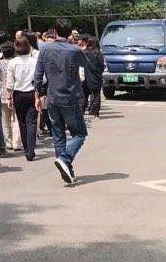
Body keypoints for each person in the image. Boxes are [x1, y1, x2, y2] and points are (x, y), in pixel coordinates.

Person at [34, 17, 89, 185]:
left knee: (58, 137)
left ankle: (67, 169)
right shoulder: (74, 50)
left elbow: (38, 74)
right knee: (80, 133)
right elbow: (85, 65)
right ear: (70, 33)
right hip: (71, 96)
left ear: (55, 32)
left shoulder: (45, 49)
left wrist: (37, 94)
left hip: (52, 96)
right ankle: (65, 159)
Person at [6, 36, 39, 160]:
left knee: (22, 123)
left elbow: (10, 83)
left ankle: (27, 148)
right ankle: (30, 150)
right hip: (32, 93)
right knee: (32, 122)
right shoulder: (35, 61)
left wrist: (9, 98)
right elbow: (41, 79)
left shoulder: (12, 62)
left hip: (18, 94)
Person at [0, 40, 19, 150]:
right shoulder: (16, 62)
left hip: (3, 92)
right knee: (16, 118)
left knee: (5, 119)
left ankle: (8, 142)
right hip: (16, 91)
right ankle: (17, 142)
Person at [84, 37, 105, 117]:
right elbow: (102, 66)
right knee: (96, 94)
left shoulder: (84, 52)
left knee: (84, 95)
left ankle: (83, 111)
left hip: (86, 75)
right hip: (96, 75)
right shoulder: (98, 53)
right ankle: (95, 112)